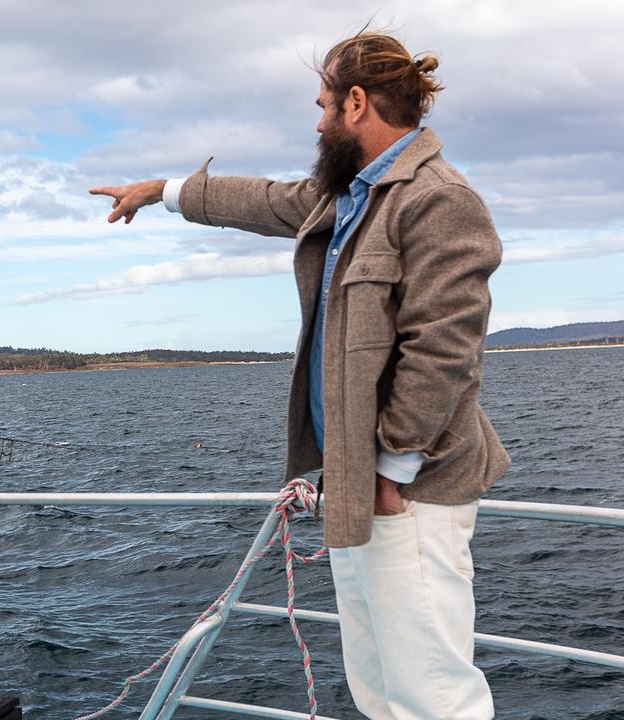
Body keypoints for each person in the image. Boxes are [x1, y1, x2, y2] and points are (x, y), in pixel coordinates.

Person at [89, 31, 508, 720]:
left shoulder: (437, 199)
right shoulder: (349, 197)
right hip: (358, 484)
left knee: (433, 695)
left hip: (411, 492)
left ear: (356, 102)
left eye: (321, 105)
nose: (315, 122)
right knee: (380, 687)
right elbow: (262, 199)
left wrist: (391, 467)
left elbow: (445, 348)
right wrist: (161, 191)